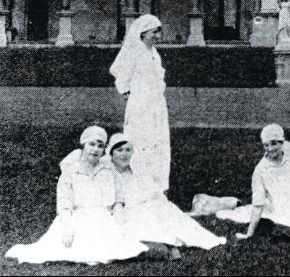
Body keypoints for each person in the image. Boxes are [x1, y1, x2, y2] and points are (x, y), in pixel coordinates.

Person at [6, 126, 147, 265]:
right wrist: (67, 226)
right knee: (73, 249)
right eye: (91, 144)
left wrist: (119, 217)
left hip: (103, 219)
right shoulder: (70, 172)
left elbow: (118, 197)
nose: (95, 149)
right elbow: (64, 203)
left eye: (100, 146)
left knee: (120, 247)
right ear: (83, 145)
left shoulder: (109, 170)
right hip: (77, 218)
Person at [107, 133, 226, 257]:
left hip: (144, 206)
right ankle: (169, 245)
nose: (124, 154)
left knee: (165, 209)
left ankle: (179, 241)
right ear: (111, 153)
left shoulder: (136, 171)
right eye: (119, 150)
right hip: (123, 211)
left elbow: (151, 191)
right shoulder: (107, 172)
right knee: (148, 213)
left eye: (128, 150)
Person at [110, 14, 170, 192]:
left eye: (159, 32)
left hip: (156, 104)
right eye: (154, 32)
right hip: (141, 105)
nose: (157, 36)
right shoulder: (135, 53)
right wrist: (130, 94)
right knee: (141, 141)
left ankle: (157, 185)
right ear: (143, 33)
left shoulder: (154, 53)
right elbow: (121, 76)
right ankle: (139, 184)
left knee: (158, 142)